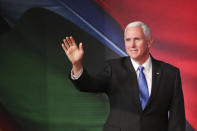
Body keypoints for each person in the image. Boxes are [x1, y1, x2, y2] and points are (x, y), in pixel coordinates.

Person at [61, 21, 186, 131]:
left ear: (149, 41)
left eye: (137, 39)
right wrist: (77, 65)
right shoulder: (113, 68)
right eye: (128, 40)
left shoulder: (170, 73)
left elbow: (177, 118)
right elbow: (88, 85)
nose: (132, 45)